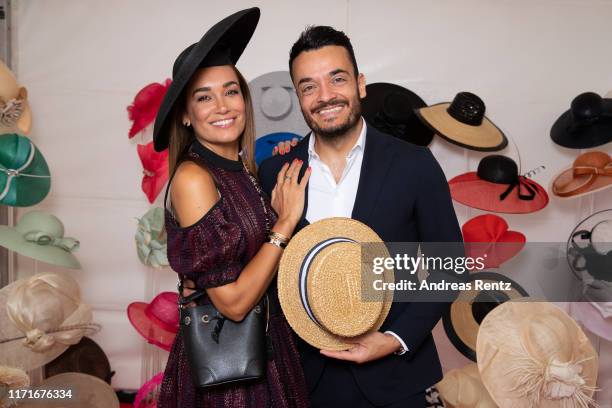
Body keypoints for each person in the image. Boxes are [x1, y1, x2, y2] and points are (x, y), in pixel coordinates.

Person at [258, 26, 463, 407]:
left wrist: (395, 339)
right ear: (299, 98)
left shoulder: (414, 164)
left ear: (360, 83)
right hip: (303, 382)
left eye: (337, 79)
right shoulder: (274, 173)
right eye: (308, 86)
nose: (325, 96)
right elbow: (263, 274)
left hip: (394, 380)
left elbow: (448, 265)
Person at [152, 8, 311, 408]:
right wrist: (285, 222)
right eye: (204, 97)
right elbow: (235, 303)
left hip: (271, 352)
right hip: (229, 375)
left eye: (231, 91)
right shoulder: (193, 178)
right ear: (185, 115)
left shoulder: (244, 171)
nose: (222, 106)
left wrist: (281, 161)